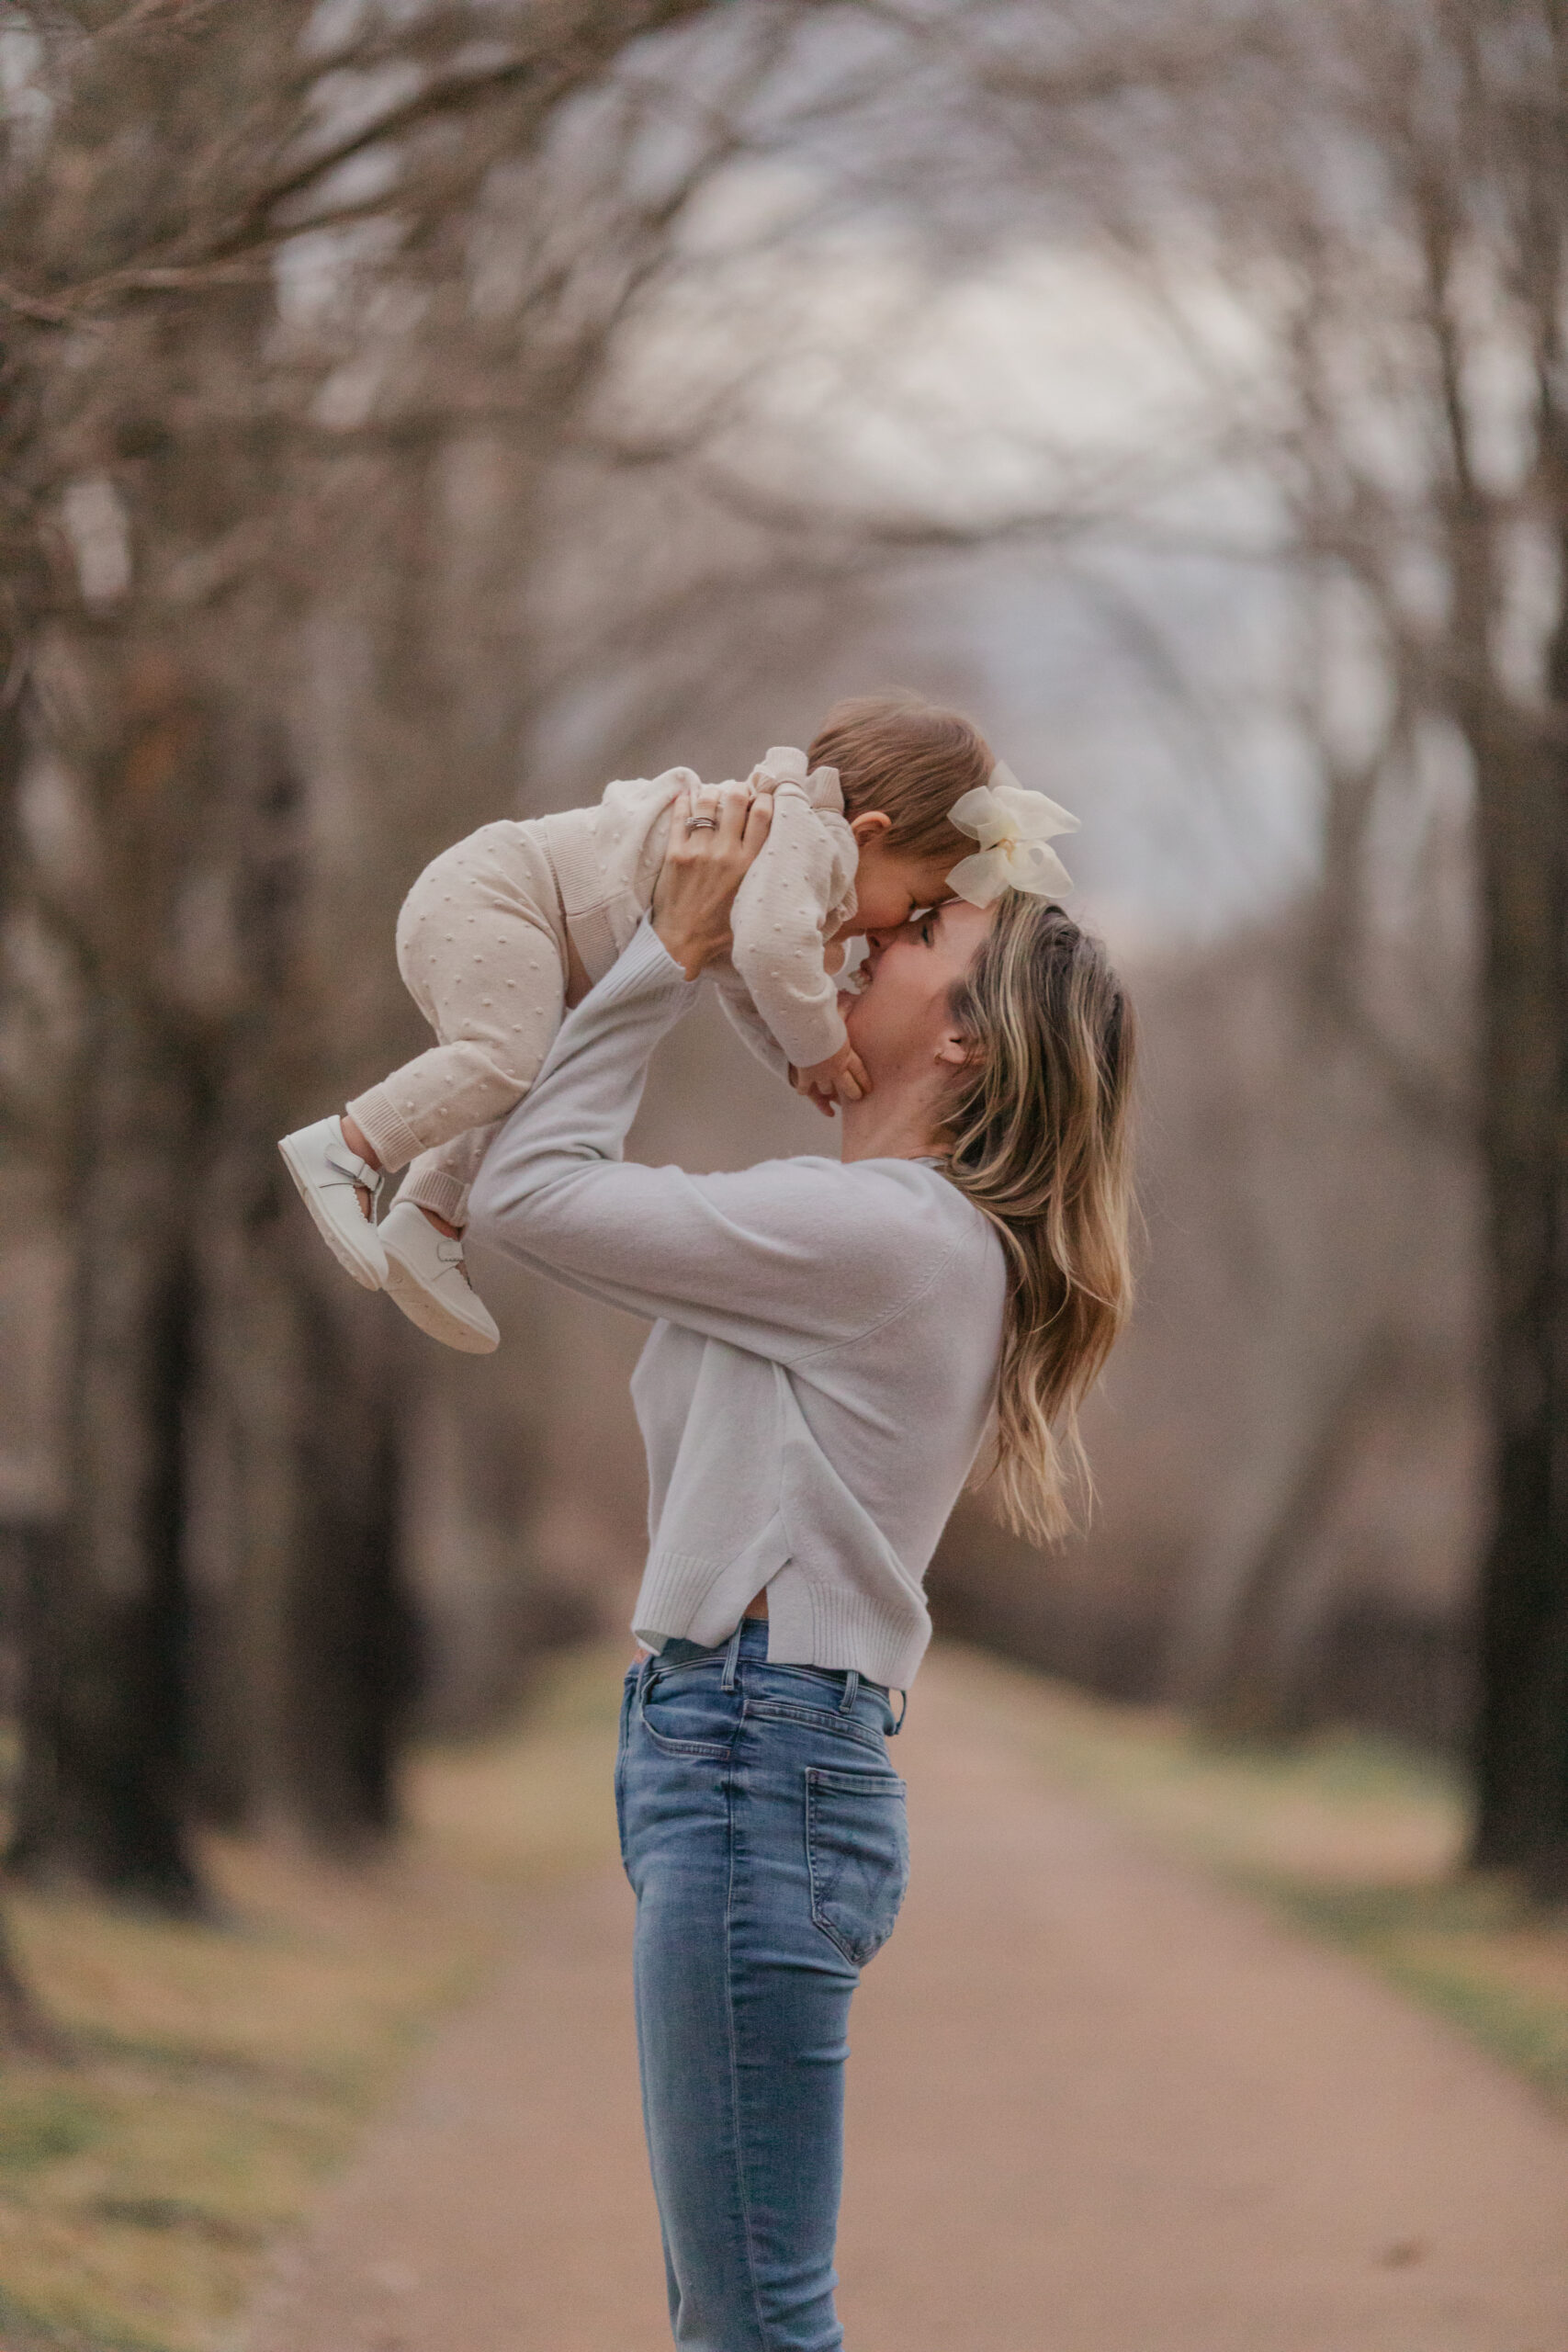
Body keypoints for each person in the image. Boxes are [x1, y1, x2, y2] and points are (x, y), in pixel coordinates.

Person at [464, 738, 1137, 2352]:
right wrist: (718, 959)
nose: (876, 932)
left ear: (967, 1040)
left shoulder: (882, 1242)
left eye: (919, 941)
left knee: (752, 2322)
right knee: (737, 2308)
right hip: (737, 1750)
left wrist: (673, 948)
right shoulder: (854, 1231)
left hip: (749, 1755)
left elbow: (525, 1192)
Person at [276, 695, 1077, 1355]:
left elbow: (737, 977)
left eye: (920, 928)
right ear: (867, 837)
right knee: (504, 1060)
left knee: (530, 1060)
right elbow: (765, 956)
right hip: (498, 900)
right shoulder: (801, 845)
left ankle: (430, 1215)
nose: (881, 936)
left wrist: (794, 1060)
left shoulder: (790, 860)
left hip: (508, 915)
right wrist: (818, 1042)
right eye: (911, 907)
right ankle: (349, 1148)